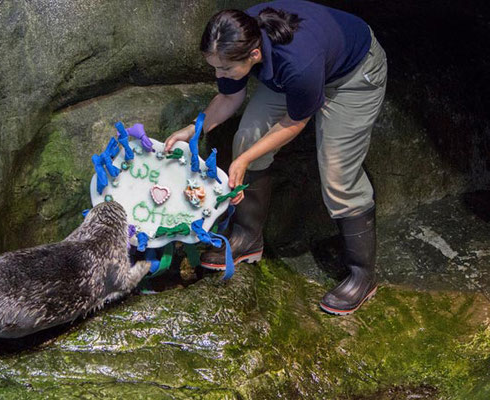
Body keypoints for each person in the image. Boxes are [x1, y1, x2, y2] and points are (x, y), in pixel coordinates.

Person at [164, 0, 387, 315]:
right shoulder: (236, 38)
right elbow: (230, 95)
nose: (218, 73)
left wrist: (241, 162)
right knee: (247, 140)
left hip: (352, 76)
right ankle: (247, 236)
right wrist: (194, 127)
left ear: (254, 55)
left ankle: (362, 275)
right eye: (214, 66)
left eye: (224, 68)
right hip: (296, 77)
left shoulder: (298, 61)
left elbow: (296, 122)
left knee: (339, 174)